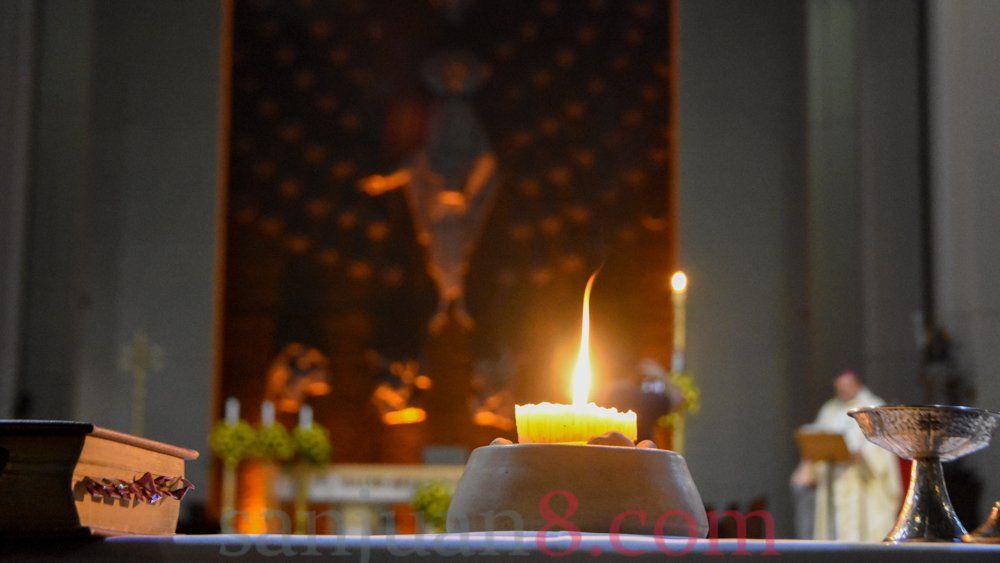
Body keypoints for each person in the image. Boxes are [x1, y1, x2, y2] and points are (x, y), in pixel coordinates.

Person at [790, 370, 901, 541]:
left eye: (846, 386)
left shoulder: (874, 406)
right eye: (838, 388)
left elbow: (883, 449)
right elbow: (819, 438)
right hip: (834, 484)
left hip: (862, 485)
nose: (842, 391)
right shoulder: (829, 409)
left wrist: (862, 455)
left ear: (857, 384)